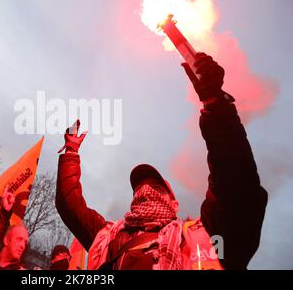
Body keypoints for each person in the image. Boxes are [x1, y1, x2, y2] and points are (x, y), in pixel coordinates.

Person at [56, 53, 268, 270]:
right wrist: (70, 152)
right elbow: (69, 205)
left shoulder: (204, 237)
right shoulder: (109, 237)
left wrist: (216, 106)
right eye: (139, 188)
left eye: (156, 187)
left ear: (174, 203)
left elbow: (238, 191)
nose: (146, 190)